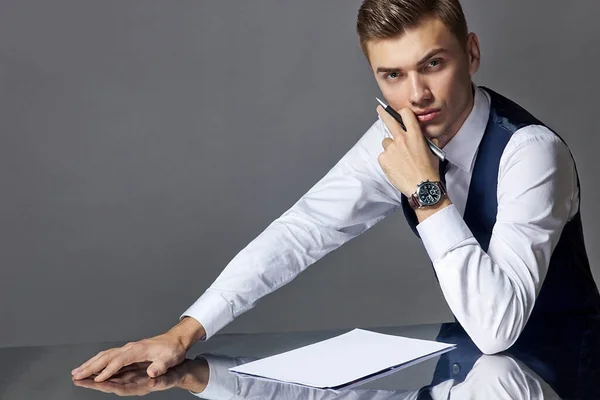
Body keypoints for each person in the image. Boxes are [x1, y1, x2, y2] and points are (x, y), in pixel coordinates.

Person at [72, 0, 600, 383]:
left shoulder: (529, 152)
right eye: (392, 75)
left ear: (472, 52)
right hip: (474, 371)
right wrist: (183, 333)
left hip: (562, 371)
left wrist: (425, 190)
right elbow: (303, 232)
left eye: (433, 64)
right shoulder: (395, 135)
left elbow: (498, 327)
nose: (416, 95)